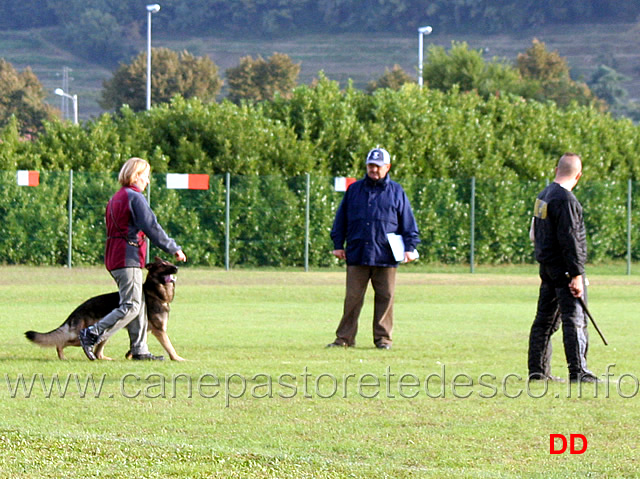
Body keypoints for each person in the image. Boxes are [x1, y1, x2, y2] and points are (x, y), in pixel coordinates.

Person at [79, 157, 187, 361]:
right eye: (145, 176)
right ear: (135, 176)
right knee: (132, 305)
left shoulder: (116, 197)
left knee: (140, 304)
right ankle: (92, 333)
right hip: (127, 257)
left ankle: (139, 350)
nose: (147, 181)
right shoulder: (135, 198)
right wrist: (173, 248)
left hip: (115, 255)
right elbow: (151, 227)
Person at [327, 147, 420, 350]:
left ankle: (383, 340)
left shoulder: (397, 191)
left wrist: (410, 247)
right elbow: (341, 219)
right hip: (357, 252)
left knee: (385, 298)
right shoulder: (354, 190)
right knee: (352, 299)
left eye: (378, 166)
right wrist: (337, 245)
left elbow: (408, 222)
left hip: (386, 255)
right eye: (371, 165)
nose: (374, 170)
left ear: (387, 167)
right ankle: (344, 339)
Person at [528, 152, 599, 383]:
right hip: (566, 270)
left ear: (556, 169)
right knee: (575, 319)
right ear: (578, 175)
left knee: (544, 321)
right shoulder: (568, 201)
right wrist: (577, 274)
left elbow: (534, 233)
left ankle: (538, 372)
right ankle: (579, 372)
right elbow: (571, 240)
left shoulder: (543, 196)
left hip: (547, 267)